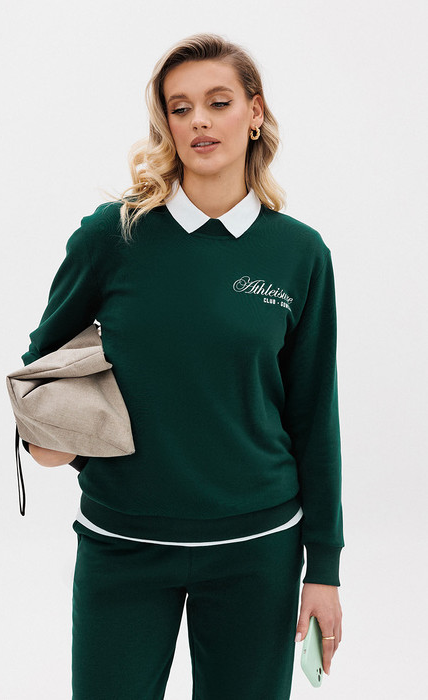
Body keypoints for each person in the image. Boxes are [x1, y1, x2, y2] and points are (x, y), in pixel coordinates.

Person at [21, 32, 344, 700]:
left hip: (259, 550)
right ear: (165, 123)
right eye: (180, 107)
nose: (199, 120)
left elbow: (315, 416)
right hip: (122, 543)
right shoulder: (113, 236)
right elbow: (41, 371)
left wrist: (325, 568)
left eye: (218, 102)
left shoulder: (299, 254)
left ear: (254, 113)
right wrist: (74, 446)